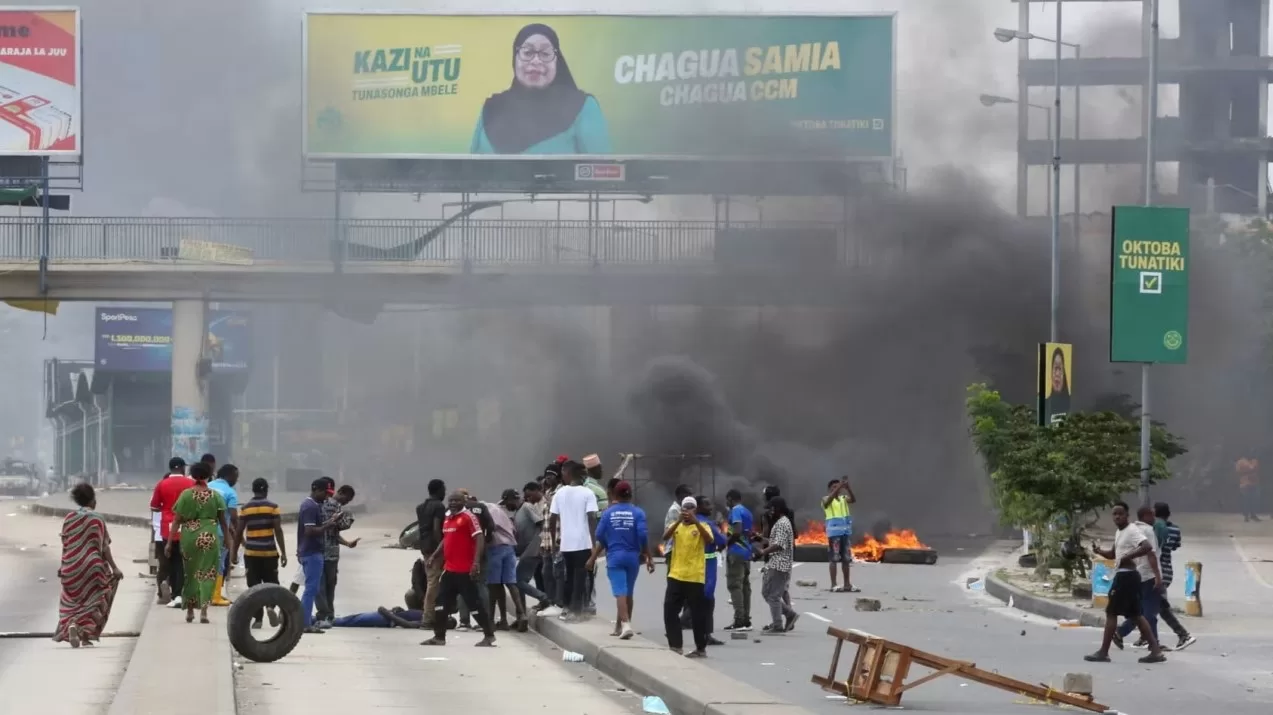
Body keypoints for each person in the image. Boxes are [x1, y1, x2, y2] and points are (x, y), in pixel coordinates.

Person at [470, 23, 612, 156]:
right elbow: (468, 171)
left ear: (557, 60)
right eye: (527, 52)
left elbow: (601, 173)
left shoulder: (582, 107)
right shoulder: (492, 108)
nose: (536, 61)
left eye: (545, 54)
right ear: (515, 58)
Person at [1085, 502, 1166, 663]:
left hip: (1126, 577)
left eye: (1120, 514)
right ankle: (1156, 651)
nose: (1117, 517)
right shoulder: (1119, 532)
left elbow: (1146, 546)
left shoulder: (1132, 530)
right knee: (1136, 615)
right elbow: (1114, 554)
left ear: (1127, 515)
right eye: (1114, 514)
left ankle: (1103, 652)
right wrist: (1099, 551)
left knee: (1111, 613)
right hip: (1128, 576)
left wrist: (1129, 556)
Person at [421, 490, 497, 647]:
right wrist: (434, 556)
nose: (453, 503)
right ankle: (439, 637)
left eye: (457, 500)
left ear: (464, 502)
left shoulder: (469, 517)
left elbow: (480, 537)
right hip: (449, 570)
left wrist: (475, 563)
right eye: (451, 500)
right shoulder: (448, 518)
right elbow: (445, 539)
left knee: (474, 605)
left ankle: (489, 635)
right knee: (440, 603)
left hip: (465, 571)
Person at [55, 483, 124, 648]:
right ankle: (85, 635)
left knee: (72, 600)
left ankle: (72, 623)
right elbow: (104, 546)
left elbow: (66, 543)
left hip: (71, 565)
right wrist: (114, 568)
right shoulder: (97, 519)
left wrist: (63, 565)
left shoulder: (69, 518)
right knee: (96, 598)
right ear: (93, 500)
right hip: (92, 566)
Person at [587, 480, 652, 639]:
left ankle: (626, 625)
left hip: (615, 556)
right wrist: (647, 555)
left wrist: (594, 557)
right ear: (630, 495)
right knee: (628, 592)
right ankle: (619, 626)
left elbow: (600, 536)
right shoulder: (638, 513)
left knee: (620, 592)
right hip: (633, 558)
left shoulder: (608, 513)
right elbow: (643, 535)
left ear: (615, 495)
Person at [166, 462, 227, 624]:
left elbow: (177, 520)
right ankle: (204, 612)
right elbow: (223, 522)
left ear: (192, 475)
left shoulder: (186, 495)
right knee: (207, 573)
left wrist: (169, 543)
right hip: (210, 536)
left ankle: (190, 611)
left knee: (190, 573)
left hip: (189, 537)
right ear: (208, 475)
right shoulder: (215, 496)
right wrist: (228, 539)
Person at [661, 496, 714, 657]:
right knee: (670, 610)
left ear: (695, 510)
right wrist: (678, 521)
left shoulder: (703, 525)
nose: (687, 511)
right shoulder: (676, 526)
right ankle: (676, 645)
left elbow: (709, 539)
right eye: (685, 508)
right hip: (676, 575)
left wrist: (695, 521)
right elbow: (665, 537)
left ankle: (700, 648)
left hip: (694, 577)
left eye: (691, 508)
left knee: (698, 615)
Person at [549, 460, 599, 621]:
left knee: (568, 576)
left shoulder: (559, 493)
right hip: (583, 543)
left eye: (563, 473)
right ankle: (576, 611)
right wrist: (593, 543)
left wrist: (553, 541)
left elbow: (552, 519)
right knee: (580, 577)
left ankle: (567, 608)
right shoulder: (587, 493)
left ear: (569, 474)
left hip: (566, 543)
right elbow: (592, 518)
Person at [1144, 502, 1196, 651]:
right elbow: (1175, 546)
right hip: (1167, 570)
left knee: (1156, 606)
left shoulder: (1154, 529)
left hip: (1156, 571)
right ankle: (1146, 637)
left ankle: (1183, 634)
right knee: (1153, 605)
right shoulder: (1174, 529)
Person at [236, 477, 287, 629]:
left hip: (251, 554)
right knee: (272, 584)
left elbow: (238, 532)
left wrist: (233, 553)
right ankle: (271, 606)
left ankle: (258, 619)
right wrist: (283, 552)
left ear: (253, 489)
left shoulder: (245, 508)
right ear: (266, 490)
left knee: (254, 587)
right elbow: (278, 530)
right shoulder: (273, 507)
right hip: (269, 553)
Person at [297, 479, 343, 634]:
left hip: (310, 552)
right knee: (311, 589)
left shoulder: (312, 505)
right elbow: (309, 531)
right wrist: (328, 526)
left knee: (313, 588)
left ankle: (305, 621)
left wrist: (330, 521)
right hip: (312, 552)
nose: (326, 497)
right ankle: (304, 623)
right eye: (324, 493)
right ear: (315, 490)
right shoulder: (310, 506)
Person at [149, 457, 193, 608]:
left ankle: (174, 593)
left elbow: (154, 507)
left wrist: (166, 508)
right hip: (186, 526)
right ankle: (180, 594)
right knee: (183, 562)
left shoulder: (162, 484)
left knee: (171, 562)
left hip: (168, 527)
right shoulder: (190, 483)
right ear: (182, 468)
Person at [314, 483, 359, 628]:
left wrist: (347, 543)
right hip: (330, 554)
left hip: (321, 551)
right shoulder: (334, 506)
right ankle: (327, 615)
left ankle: (325, 615)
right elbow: (342, 525)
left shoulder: (321, 505)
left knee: (321, 587)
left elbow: (332, 531)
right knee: (328, 587)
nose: (346, 502)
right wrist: (350, 516)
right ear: (340, 492)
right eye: (347, 499)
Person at [757, 496, 799, 635]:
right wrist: (760, 539)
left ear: (778, 509)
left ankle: (777, 625)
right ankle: (790, 614)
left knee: (773, 596)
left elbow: (778, 545)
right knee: (767, 593)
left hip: (779, 564)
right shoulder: (782, 522)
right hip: (776, 563)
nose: (769, 511)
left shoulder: (781, 523)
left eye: (771, 508)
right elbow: (775, 540)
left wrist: (763, 551)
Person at [486, 489, 525, 631]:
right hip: (510, 549)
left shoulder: (491, 509)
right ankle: (520, 614)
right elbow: (514, 532)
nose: (517, 502)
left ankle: (491, 620)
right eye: (514, 500)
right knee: (510, 583)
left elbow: (489, 528)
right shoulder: (505, 513)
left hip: (496, 548)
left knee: (493, 586)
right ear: (507, 499)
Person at [514, 481, 553, 615]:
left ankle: (544, 598)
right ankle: (522, 614)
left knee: (518, 579)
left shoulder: (528, 507)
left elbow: (542, 523)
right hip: (530, 550)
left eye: (529, 495)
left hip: (534, 549)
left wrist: (540, 543)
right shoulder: (523, 510)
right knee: (534, 578)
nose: (528, 499)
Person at [694, 495, 728, 646]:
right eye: (707, 504)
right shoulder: (708, 524)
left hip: (691, 566)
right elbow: (722, 541)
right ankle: (706, 635)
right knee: (707, 600)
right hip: (707, 565)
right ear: (698, 507)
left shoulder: (688, 523)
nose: (711, 507)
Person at [415, 478, 448, 629]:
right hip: (435, 548)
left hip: (425, 547)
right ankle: (428, 618)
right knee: (433, 583)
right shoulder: (439, 506)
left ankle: (432, 615)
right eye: (444, 489)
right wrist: (441, 548)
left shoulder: (420, 507)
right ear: (439, 490)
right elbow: (436, 529)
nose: (445, 493)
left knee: (432, 581)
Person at [207, 463, 240, 607]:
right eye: (236, 476)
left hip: (203, 530)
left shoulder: (208, 486)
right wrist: (238, 534)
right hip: (221, 533)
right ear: (229, 475)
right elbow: (233, 516)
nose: (236, 480)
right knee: (219, 563)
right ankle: (216, 596)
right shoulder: (230, 492)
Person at [722, 489, 754, 632]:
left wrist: (725, 543)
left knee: (735, 585)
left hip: (736, 551)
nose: (727, 503)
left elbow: (737, 531)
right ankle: (746, 619)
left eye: (727, 500)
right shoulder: (748, 512)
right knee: (745, 587)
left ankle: (739, 620)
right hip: (747, 552)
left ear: (730, 499)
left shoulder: (735, 511)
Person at [822, 477, 858, 593]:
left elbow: (853, 500)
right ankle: (834, 584)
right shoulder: (826, 499)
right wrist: (838, 488)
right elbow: (827, 503)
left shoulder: (843, 499)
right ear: (829, 489)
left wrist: (848, 488)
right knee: (834, 559)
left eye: (838, 487)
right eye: (834, 487)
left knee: (846, 560)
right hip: (834, 534)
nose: (837, 489)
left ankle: (847, 584)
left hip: (845, 533)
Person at [1045, 345, 1071, 422]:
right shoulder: (1045, 404)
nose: (1057, 373)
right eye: (1055, 368)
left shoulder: (1072, 403)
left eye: (1059, 368)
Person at [1237, 456, 1260, 522]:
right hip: (1245, 483)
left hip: (1254, 483)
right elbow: (1239, 471)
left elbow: (1256, 469)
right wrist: (1249, 470)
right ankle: (1246, 516)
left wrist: (1250, 469)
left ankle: (1253, 515)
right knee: (1246, 500)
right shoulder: (1241, 461)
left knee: (1254, 500)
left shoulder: (1254, 460)